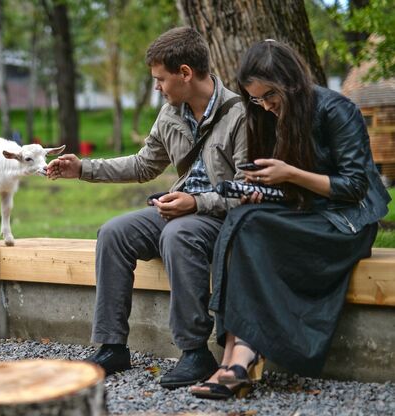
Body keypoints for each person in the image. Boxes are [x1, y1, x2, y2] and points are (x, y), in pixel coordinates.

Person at [46, 27, 247, 388]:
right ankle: (112, 346)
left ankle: (195, 353)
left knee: (178, 233)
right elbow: (143, 165)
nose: (157, 87)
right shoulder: (171, 113)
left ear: (185, 73)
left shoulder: (240, 115)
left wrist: (196, 202)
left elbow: (247, 190)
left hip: (221, 218)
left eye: (160, 79)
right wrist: (82, 169)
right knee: (114, 232)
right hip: (181, 209)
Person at [190, 40, 391, 400]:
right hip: (310, 213)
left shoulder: (335, 109)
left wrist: (290, 174)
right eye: (256, 98)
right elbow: (292, 193)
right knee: (242, 217)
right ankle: (237, 352)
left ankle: (239, 356)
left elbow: (355, 186)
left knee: (248, 225)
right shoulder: (267, 115)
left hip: (348, 223)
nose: (265, 105)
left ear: (291, 82)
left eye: (270, 95)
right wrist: (263, 189)